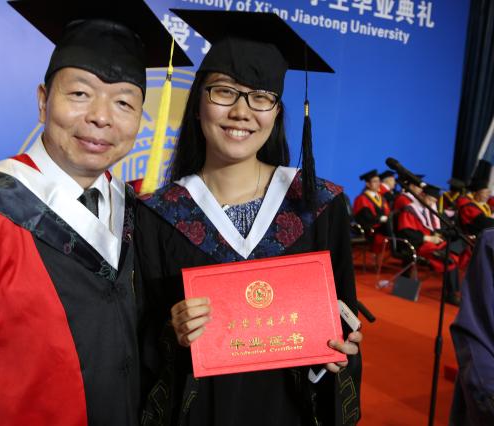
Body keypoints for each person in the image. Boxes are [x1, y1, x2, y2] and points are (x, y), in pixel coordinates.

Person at [0, 1, 189, 425]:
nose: (101, 117)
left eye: (124, 103)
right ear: (43, 102)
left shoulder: (134, 213)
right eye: (80, 94)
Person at [135, 10, 361, 426]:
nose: (242, 111)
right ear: (198, 104)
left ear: (277, 113)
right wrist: (172, 332)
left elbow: (344, 326)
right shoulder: (160, 214)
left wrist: (333, 353)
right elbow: (140, 338)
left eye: (260, 97)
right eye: (224, 92)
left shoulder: (317, 206)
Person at [449, 228, 494, 425]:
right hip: (488, 393)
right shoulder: (491, 243)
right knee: (449, 257)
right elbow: (478, 331)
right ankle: (450, 292)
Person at [397, 184, 462, 304]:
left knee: (454, 250)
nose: (432, 203)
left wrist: (437, 234)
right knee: (450, 259)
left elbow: (434, 227)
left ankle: (451, 292)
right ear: (422, 195)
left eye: (434, 201)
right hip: (417, 244)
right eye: (430, 199)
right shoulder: (410, 210)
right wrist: (427, 238)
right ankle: (451, 294)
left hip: (431, 243)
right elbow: (406, 232)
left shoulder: (428, 210)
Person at [353, 169, 391, 253]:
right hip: (371, 231)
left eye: (379, 181)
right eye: (375, 181)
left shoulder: (382, 198)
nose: (378, 184)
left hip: (382, 228)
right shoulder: (361, 199)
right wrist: (380, 219)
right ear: (367, 184)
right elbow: (366, 218)